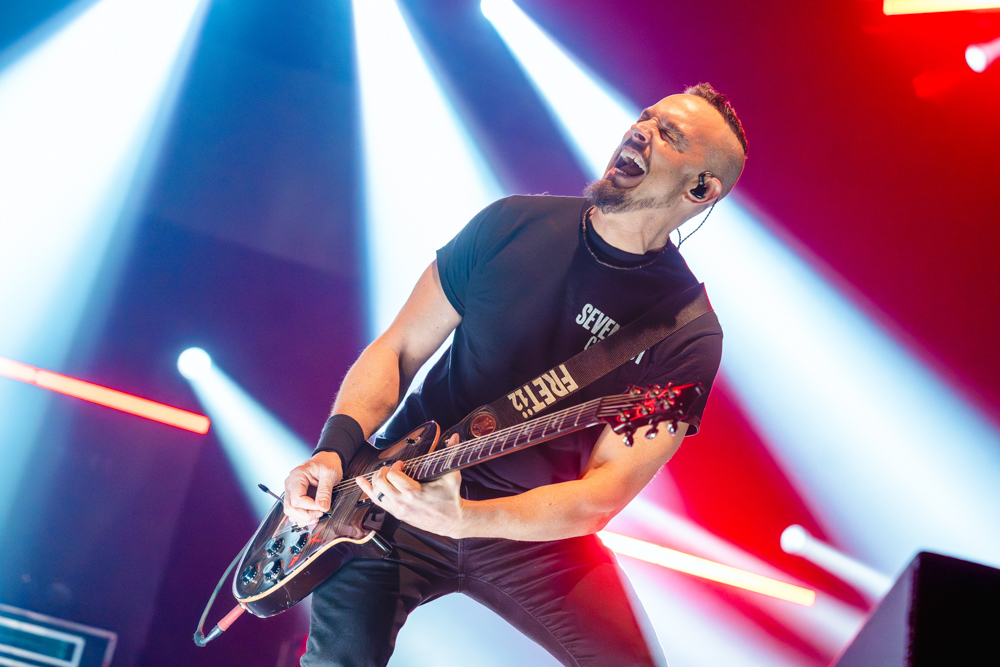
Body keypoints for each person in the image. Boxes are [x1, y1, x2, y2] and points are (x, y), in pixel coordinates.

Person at [283, 82, 748, 666]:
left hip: (533, 531)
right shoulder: (511, 224)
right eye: (646, 118)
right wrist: (333, 450)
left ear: (700, 188)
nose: (641, 130)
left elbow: (602, 493)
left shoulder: (686, 332)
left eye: (668, 134)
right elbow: (398, 349)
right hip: (396, 490)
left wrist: (466, 519)